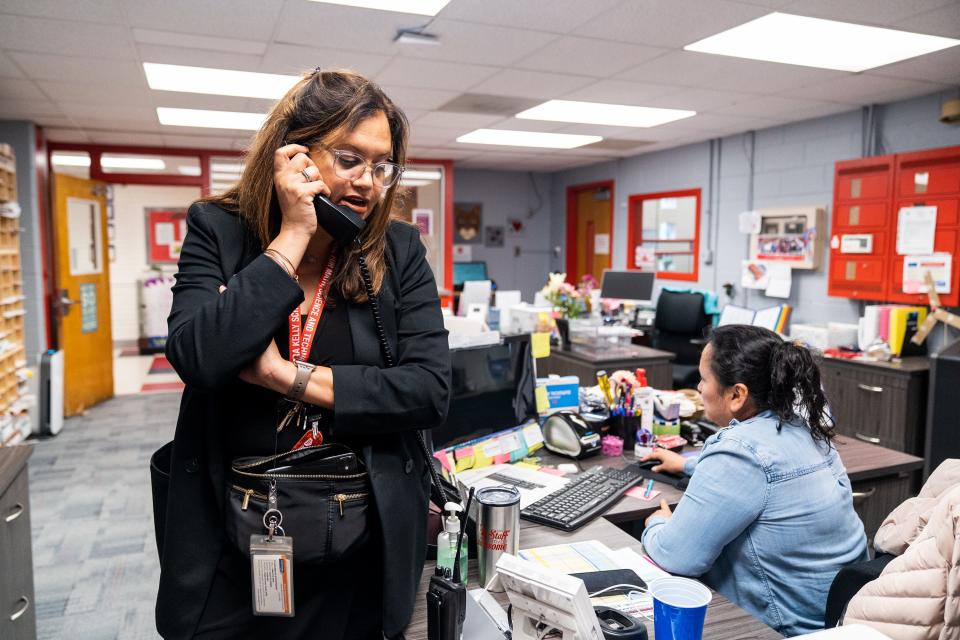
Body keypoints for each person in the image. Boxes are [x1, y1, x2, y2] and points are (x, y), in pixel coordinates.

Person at [154, 68, 451, 639]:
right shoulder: (218, 230)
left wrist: (283, 376)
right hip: (232, 538)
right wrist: (291, 236)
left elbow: (430, 390)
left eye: (382, 166)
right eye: (349, 159)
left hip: (361, 538)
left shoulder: (398, 249)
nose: (368, 183)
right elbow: (197, 355)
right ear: (294, 156)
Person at [640, 324, 867, 637]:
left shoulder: (738, 451)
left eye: (704, 379)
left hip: (776, 628)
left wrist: (658, 524)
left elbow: (676, 557)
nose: (700, 388)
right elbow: (769, 477)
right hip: (836, 620)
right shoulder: (805, 427)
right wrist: (691, 465)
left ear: (737, 394)